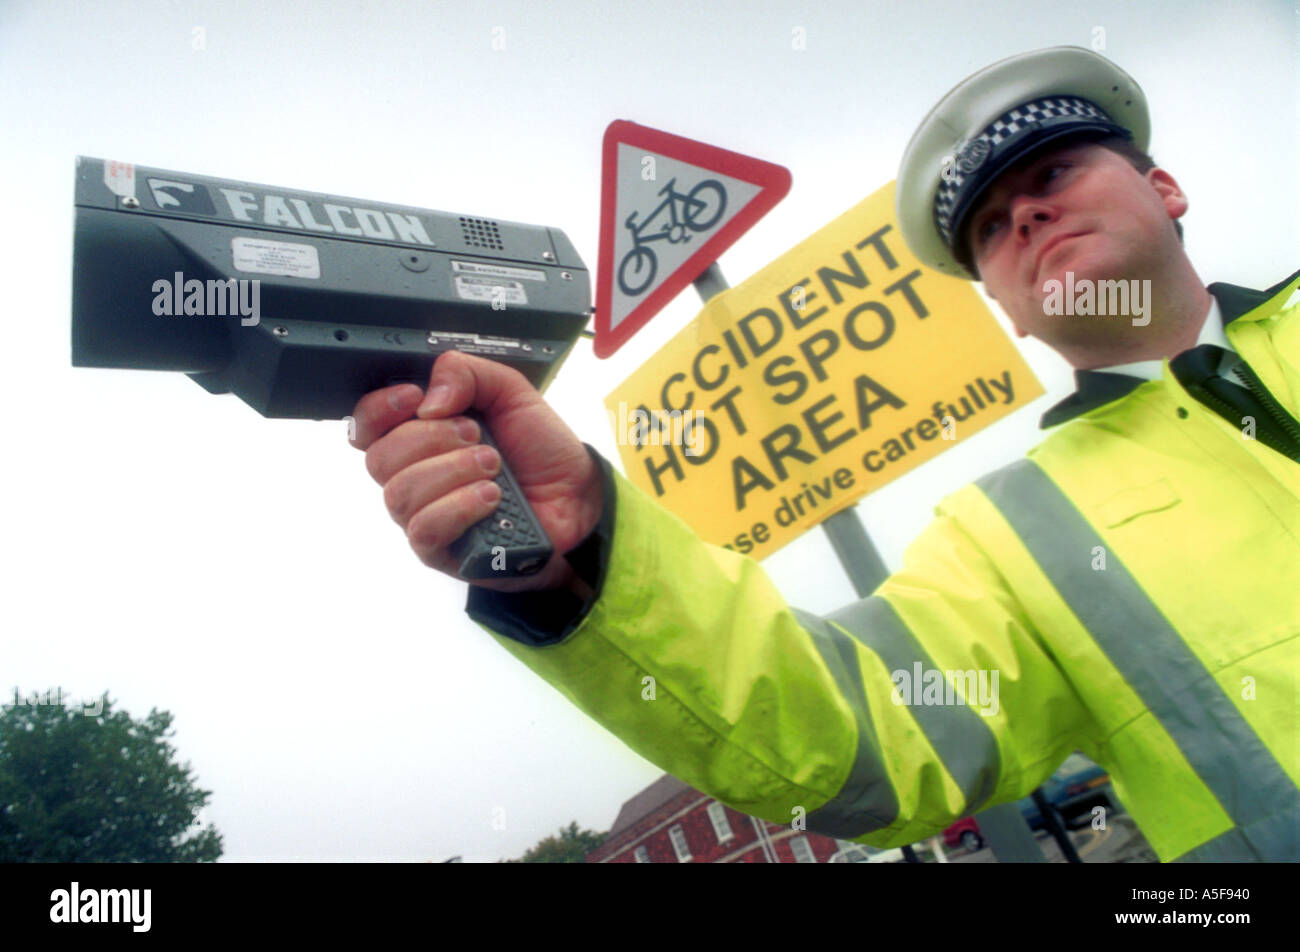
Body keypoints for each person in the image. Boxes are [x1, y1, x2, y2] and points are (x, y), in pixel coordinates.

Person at [349, 47, 1299, 862]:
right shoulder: (1011, 533)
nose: (1023, 220)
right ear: (1002, 303)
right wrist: (584, 552)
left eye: (1050, 177)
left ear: (1164, 188)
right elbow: (852, 731)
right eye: (988, 229)